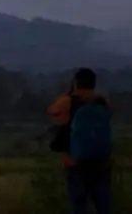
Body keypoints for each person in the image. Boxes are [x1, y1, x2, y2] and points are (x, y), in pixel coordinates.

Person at [48, 67, 112, 214]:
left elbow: (51, 111)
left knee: (79, 207)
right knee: (103, 207)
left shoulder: (67, 102)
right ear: (94, 84)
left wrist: (69, 92)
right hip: (101, 162)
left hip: (75, 163)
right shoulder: (102, 102)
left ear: (75, 83)